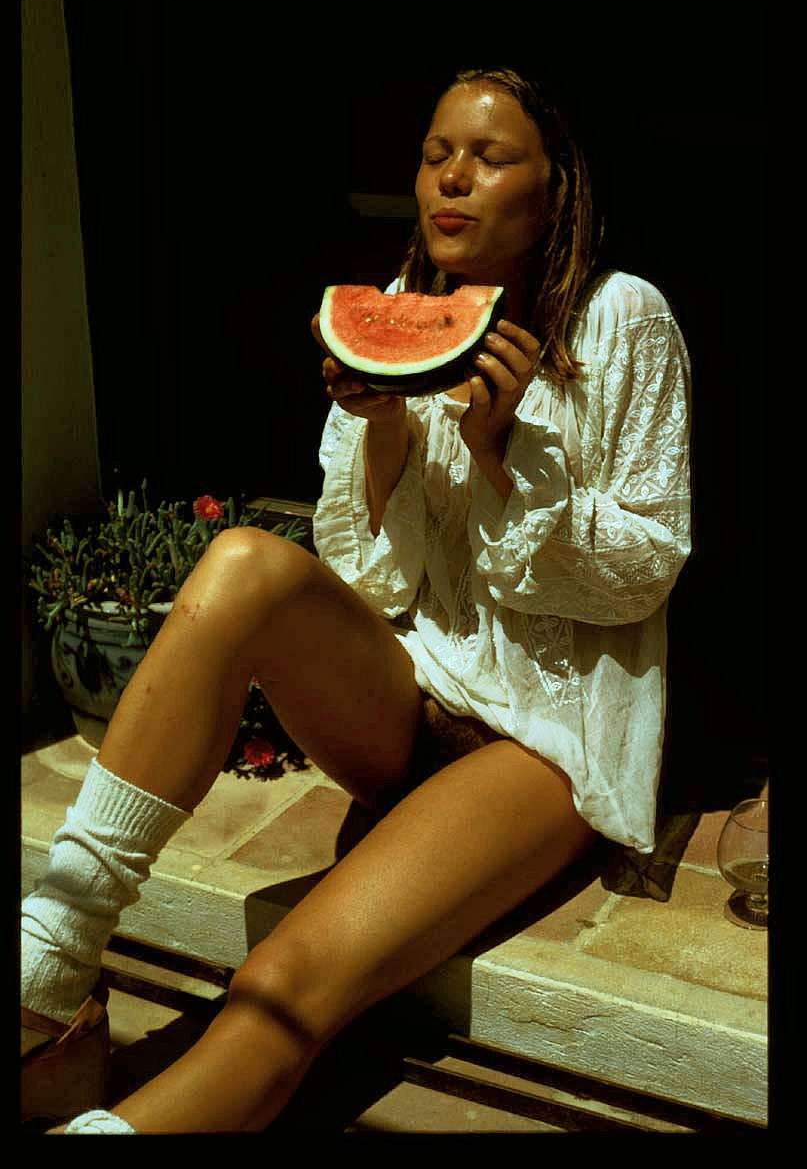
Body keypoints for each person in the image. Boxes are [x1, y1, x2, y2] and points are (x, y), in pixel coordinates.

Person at [21, 66, 691, 1134]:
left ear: (555, 188)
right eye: (435, 155)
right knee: (244, 560)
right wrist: (383, 428)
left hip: (542, 741)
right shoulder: (400, 304)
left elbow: (646, 568)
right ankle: (52, 947)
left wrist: (505, 454)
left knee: (282, 987)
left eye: (489, 157)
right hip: (408, 698)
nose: (451, 178)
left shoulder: (624, 320)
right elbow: (372, 580)